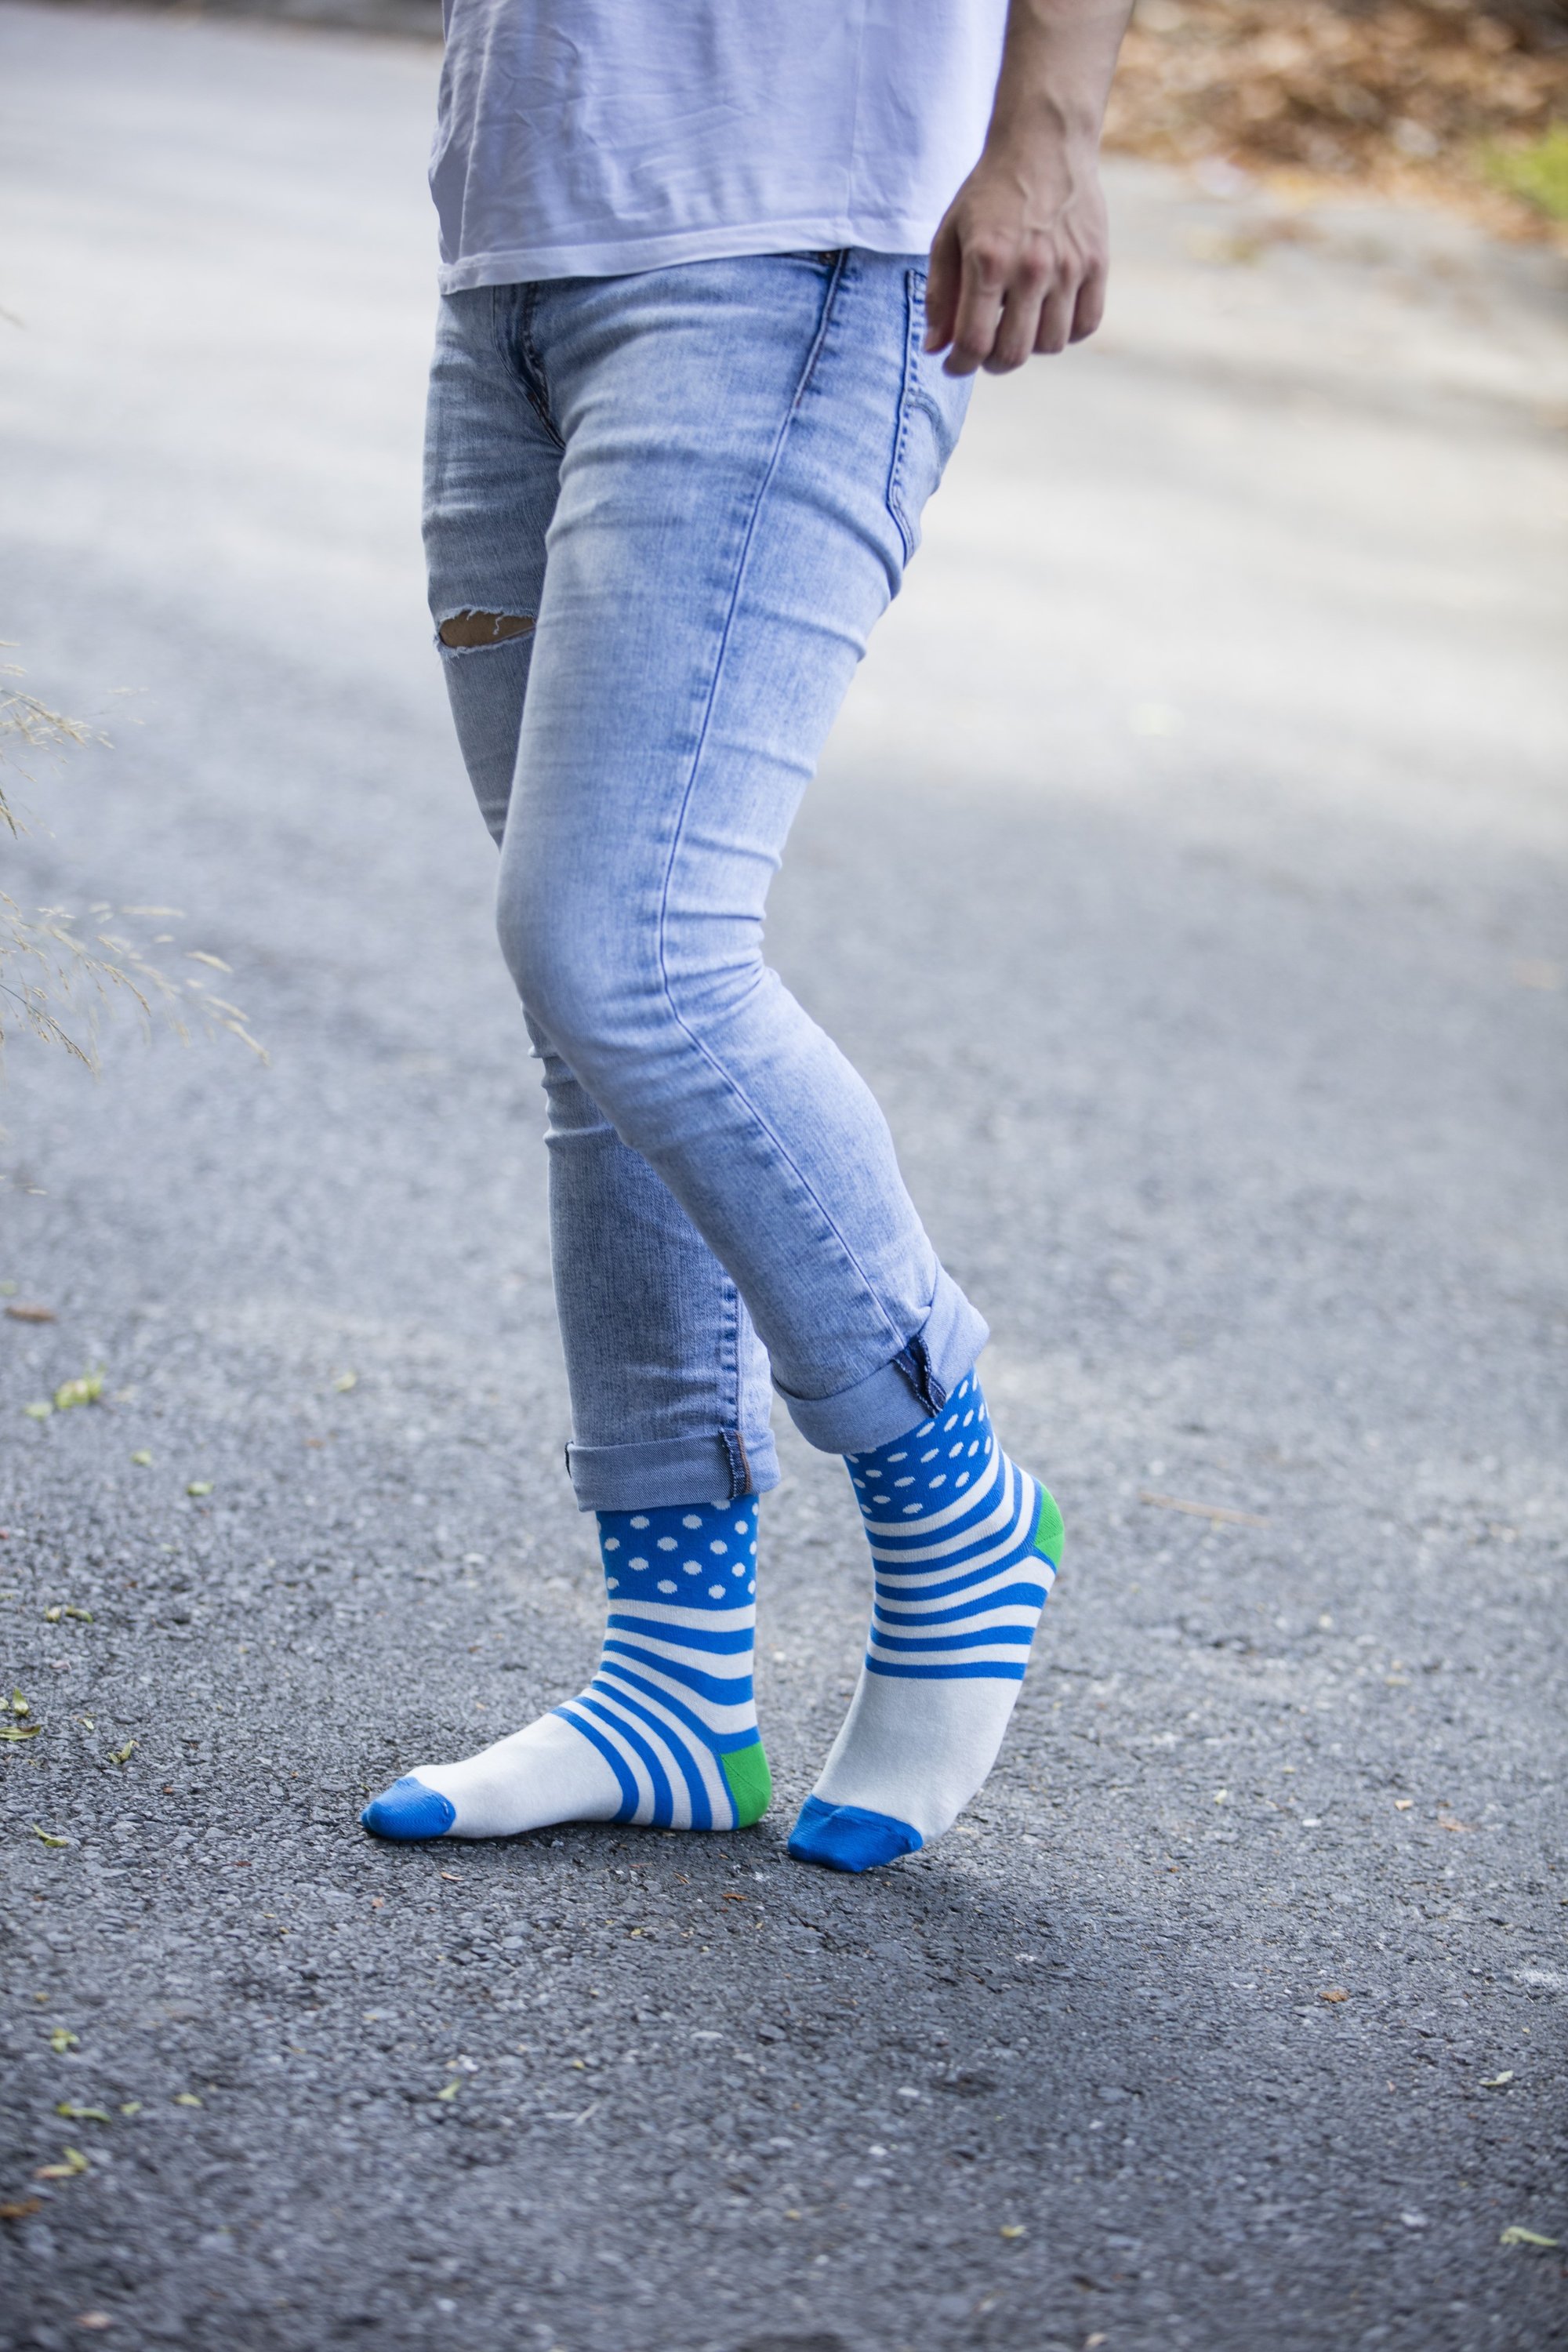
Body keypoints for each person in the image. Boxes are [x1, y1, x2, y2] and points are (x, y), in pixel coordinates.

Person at [363, 0, 1131, 1871]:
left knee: (626, 950)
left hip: (798, 243)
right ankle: (674, 1683)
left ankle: (951, 1488)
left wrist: (1047, 130)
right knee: (591, 1024)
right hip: (524, 248)